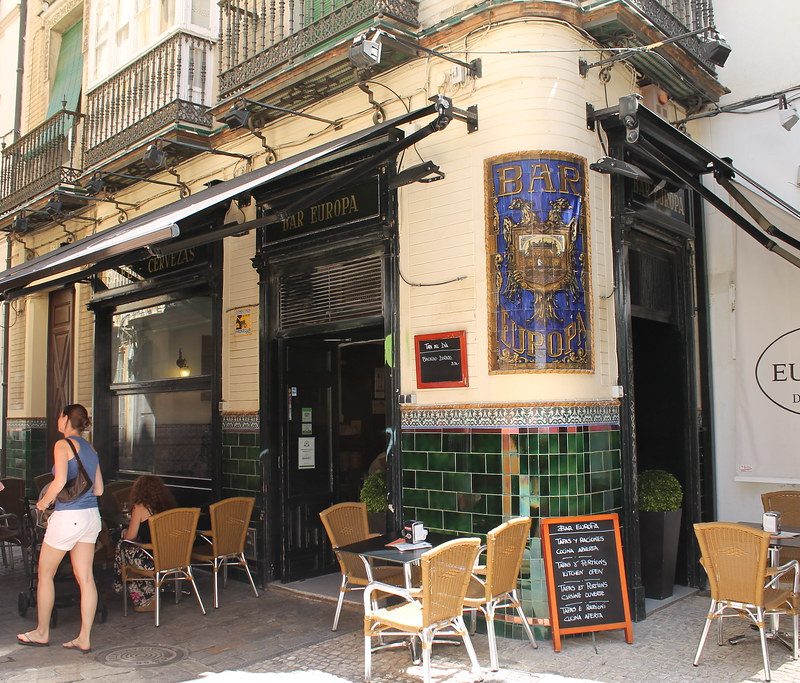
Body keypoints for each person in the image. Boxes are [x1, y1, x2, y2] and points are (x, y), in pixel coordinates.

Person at [17, 404, 103, 653]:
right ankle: (84, 637)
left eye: (60, 416)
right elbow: (99, 490)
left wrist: (42, 504)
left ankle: (42, 632)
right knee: (85, 578)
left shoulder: (62, 445)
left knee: (45, 573)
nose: (58, 419)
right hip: (90, 517)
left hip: (68, 518)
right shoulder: (91, 448)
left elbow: (60, 481)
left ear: (66, 419)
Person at [112, 475, 176, 611]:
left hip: (151, 559)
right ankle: (133, 588)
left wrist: (123, 533)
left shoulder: (140, 508)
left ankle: (122, 585)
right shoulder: (169, 506)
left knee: (122, 545)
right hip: (172, 556)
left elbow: (130, 537)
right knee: (128, 549)